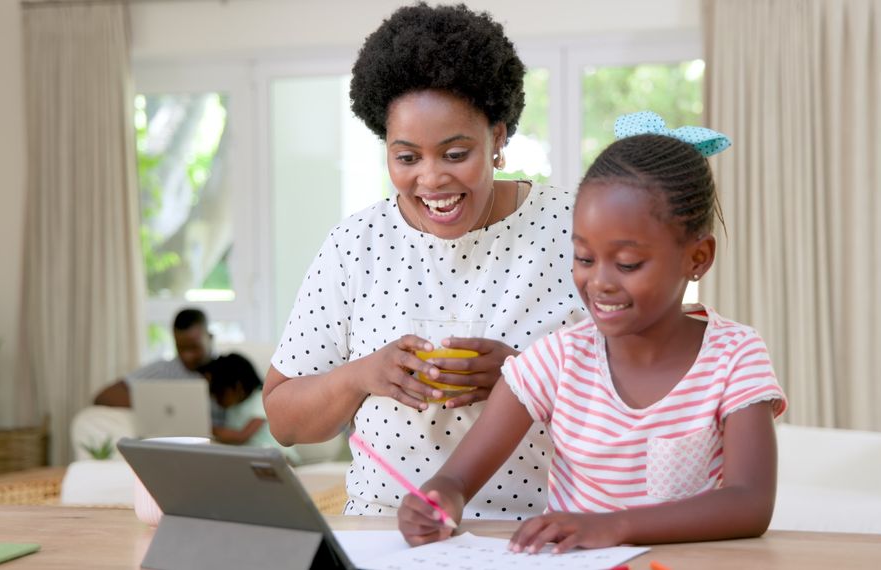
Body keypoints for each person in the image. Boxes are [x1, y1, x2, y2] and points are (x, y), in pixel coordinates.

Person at [397, 111, 788, 551]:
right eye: (584, 258)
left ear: (697, 258)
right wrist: (438, 500)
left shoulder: (735, 355)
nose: (599, 281)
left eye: (627, 264)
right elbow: (456, 479)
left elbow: (750, 504)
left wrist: (613, 527)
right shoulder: (556, 360)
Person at [263, 3, 586, 519]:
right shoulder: (356, 245)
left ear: (498, 138)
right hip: (382, 531)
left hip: (536, 531)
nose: (431, 180)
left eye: (456, 154)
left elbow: (646, 399)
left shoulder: (573, 229)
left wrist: (524, 378)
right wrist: (361, 376)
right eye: (407, 157)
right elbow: (284, 422)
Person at [93, 308, 217, 426]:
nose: (187, 356)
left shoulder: (230, 369)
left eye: (194, 348)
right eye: (181, 348)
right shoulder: (164, 370)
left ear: (210, 338)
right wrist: (158, 407)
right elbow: (104, 396)